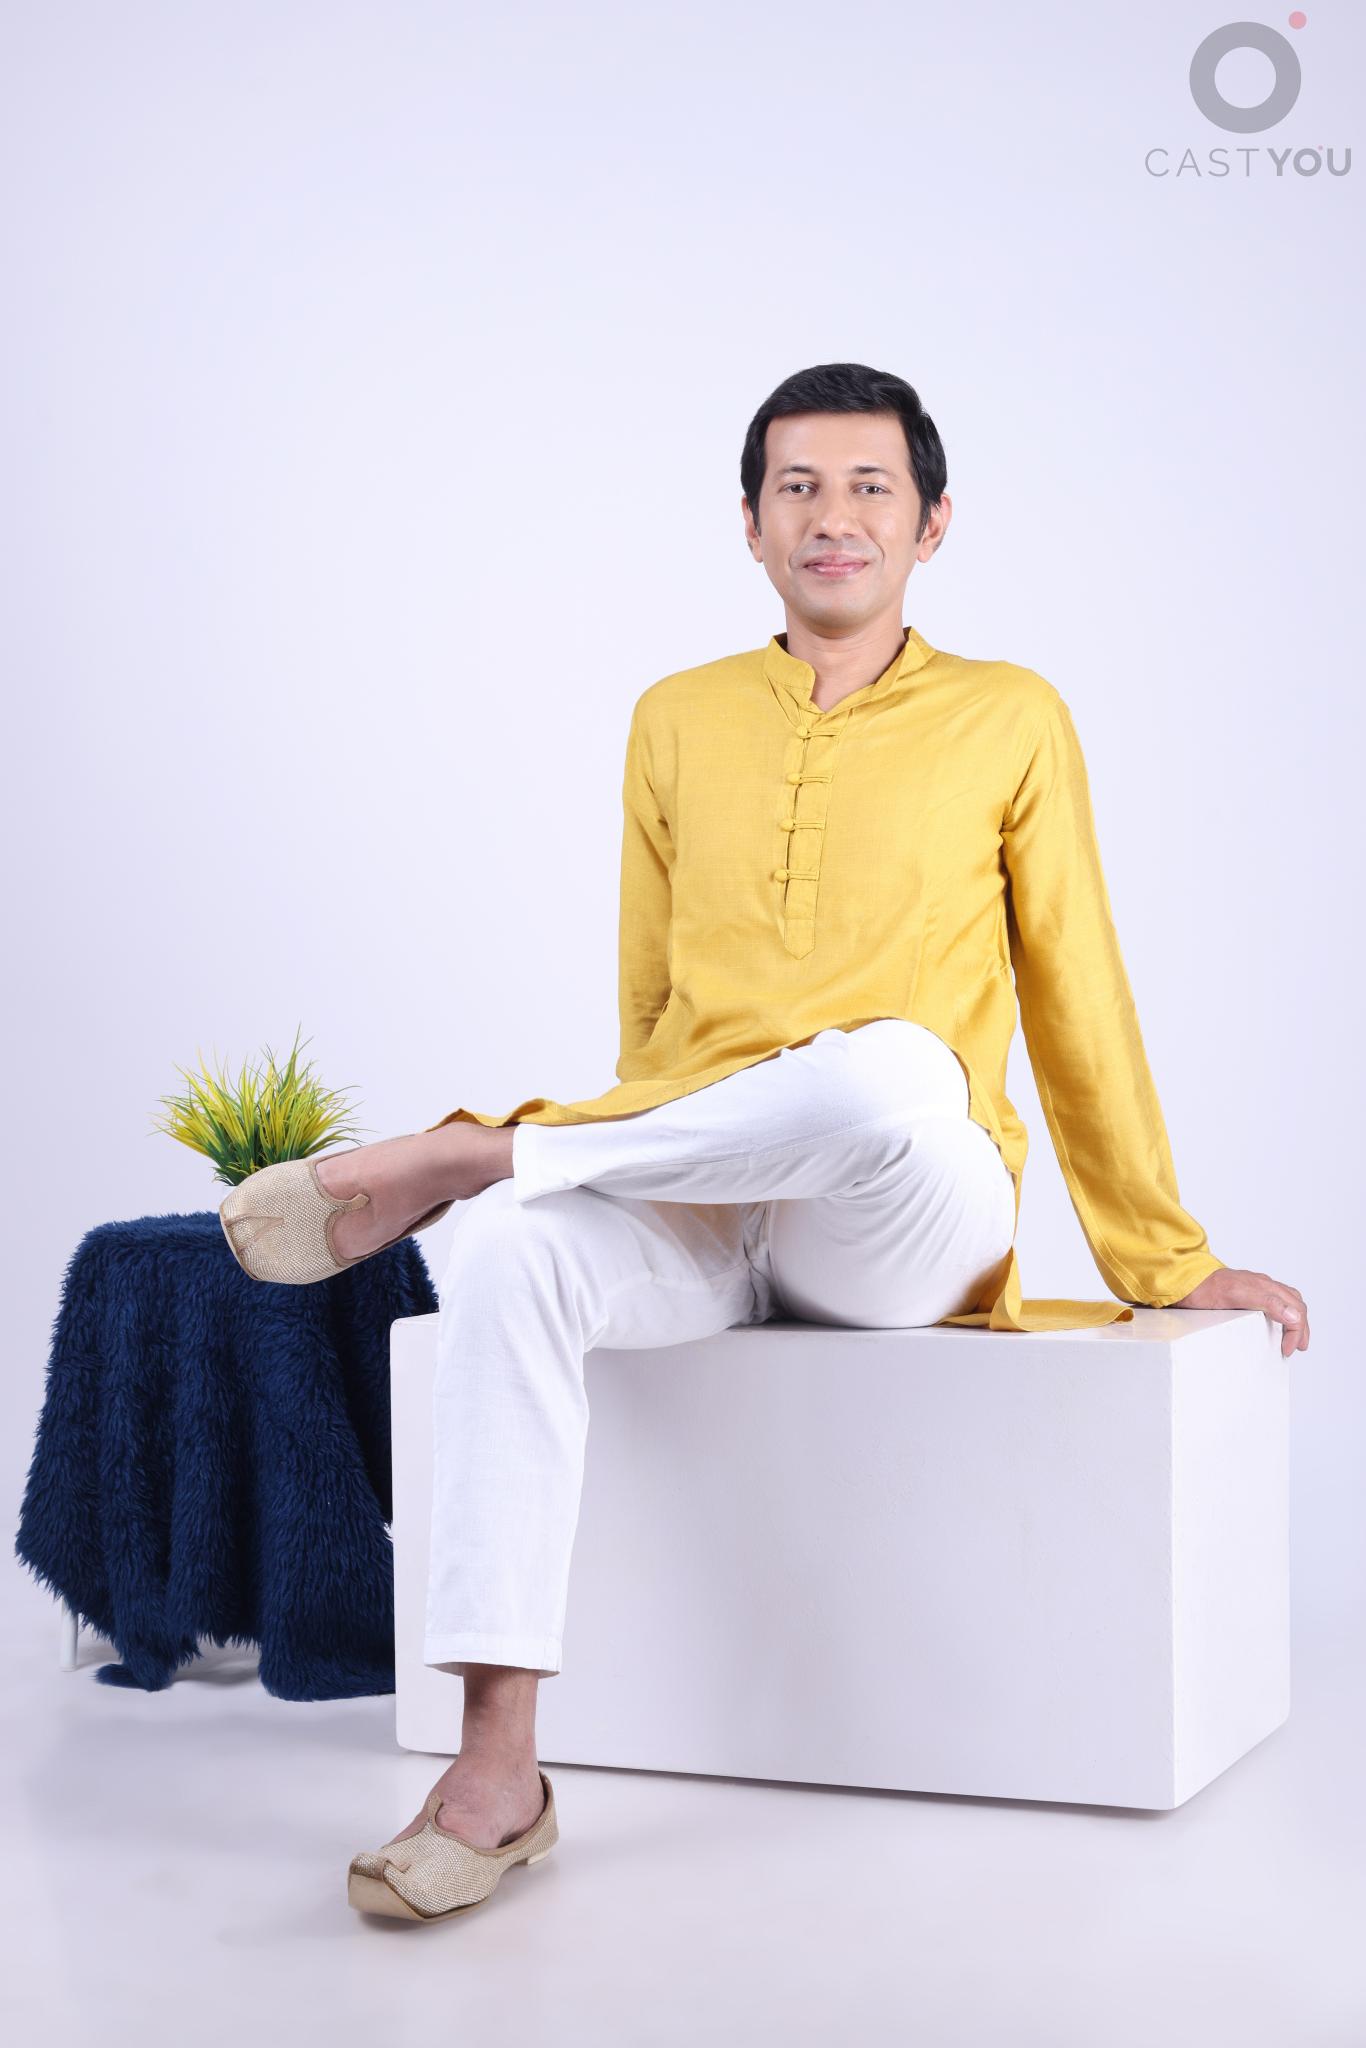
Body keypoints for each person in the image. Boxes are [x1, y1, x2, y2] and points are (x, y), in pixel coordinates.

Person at [221, 362, 1310, 1918]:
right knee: (517, 1252)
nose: (832, 515)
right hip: (696, 1190)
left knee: (893, 1068)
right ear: (748, 524)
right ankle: (496, 1771)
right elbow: (650, 1014)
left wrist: (1165, 1258)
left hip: (901, 1209)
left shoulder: (1009, 715)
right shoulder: (673, 717)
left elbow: (1077, 987)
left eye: (870, 486)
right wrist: (640, 1168)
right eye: (797, 486)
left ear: (932, 523)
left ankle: (472, 1153)